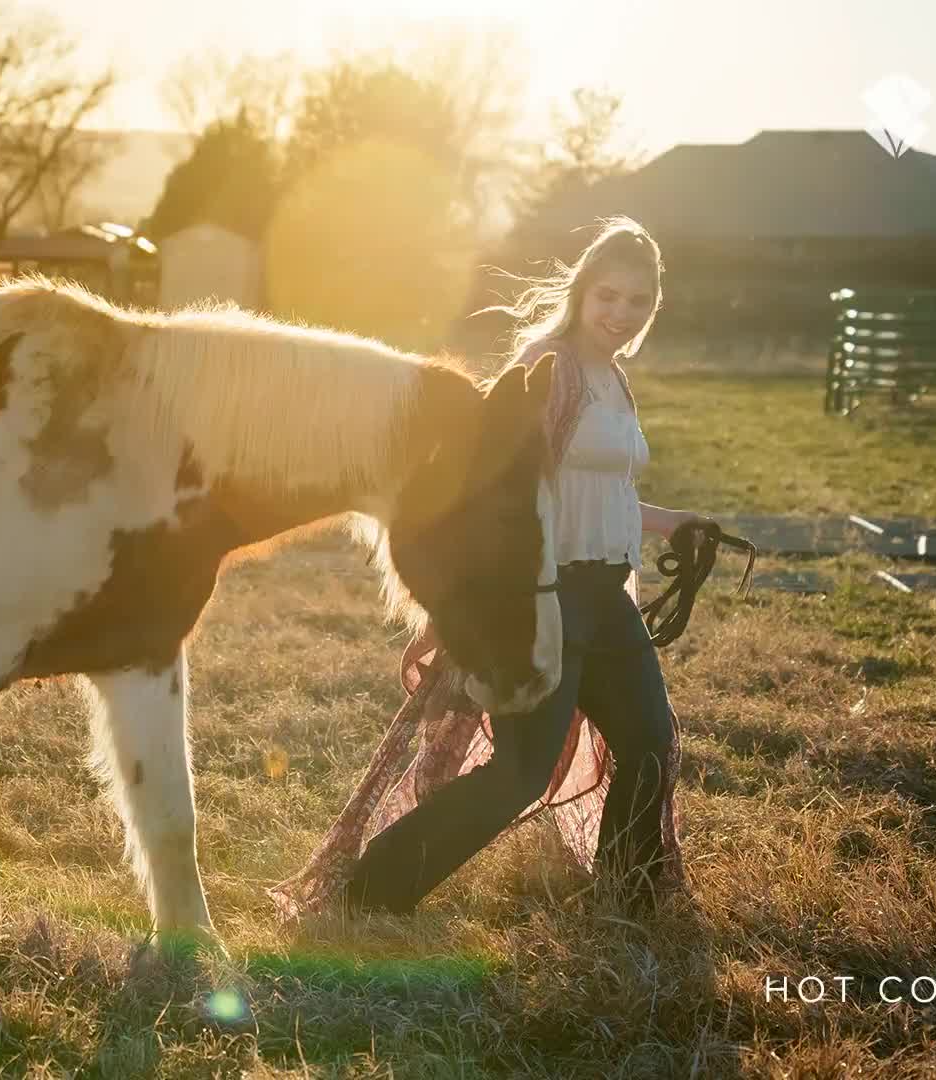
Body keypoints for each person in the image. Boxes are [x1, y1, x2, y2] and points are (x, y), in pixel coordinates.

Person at [271, 216, 714, 918]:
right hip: (547, 596)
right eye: (608, 296)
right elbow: (495, 489)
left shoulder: (613, 378)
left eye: (637, 302)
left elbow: (606, 488)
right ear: (580, 291)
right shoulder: (550, 369)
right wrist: (466, 599)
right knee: (519, 773)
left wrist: (675, 524)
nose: (620, 314)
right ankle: (370, 893)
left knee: (650, 741)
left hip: (607, 594)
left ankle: (629, 896)